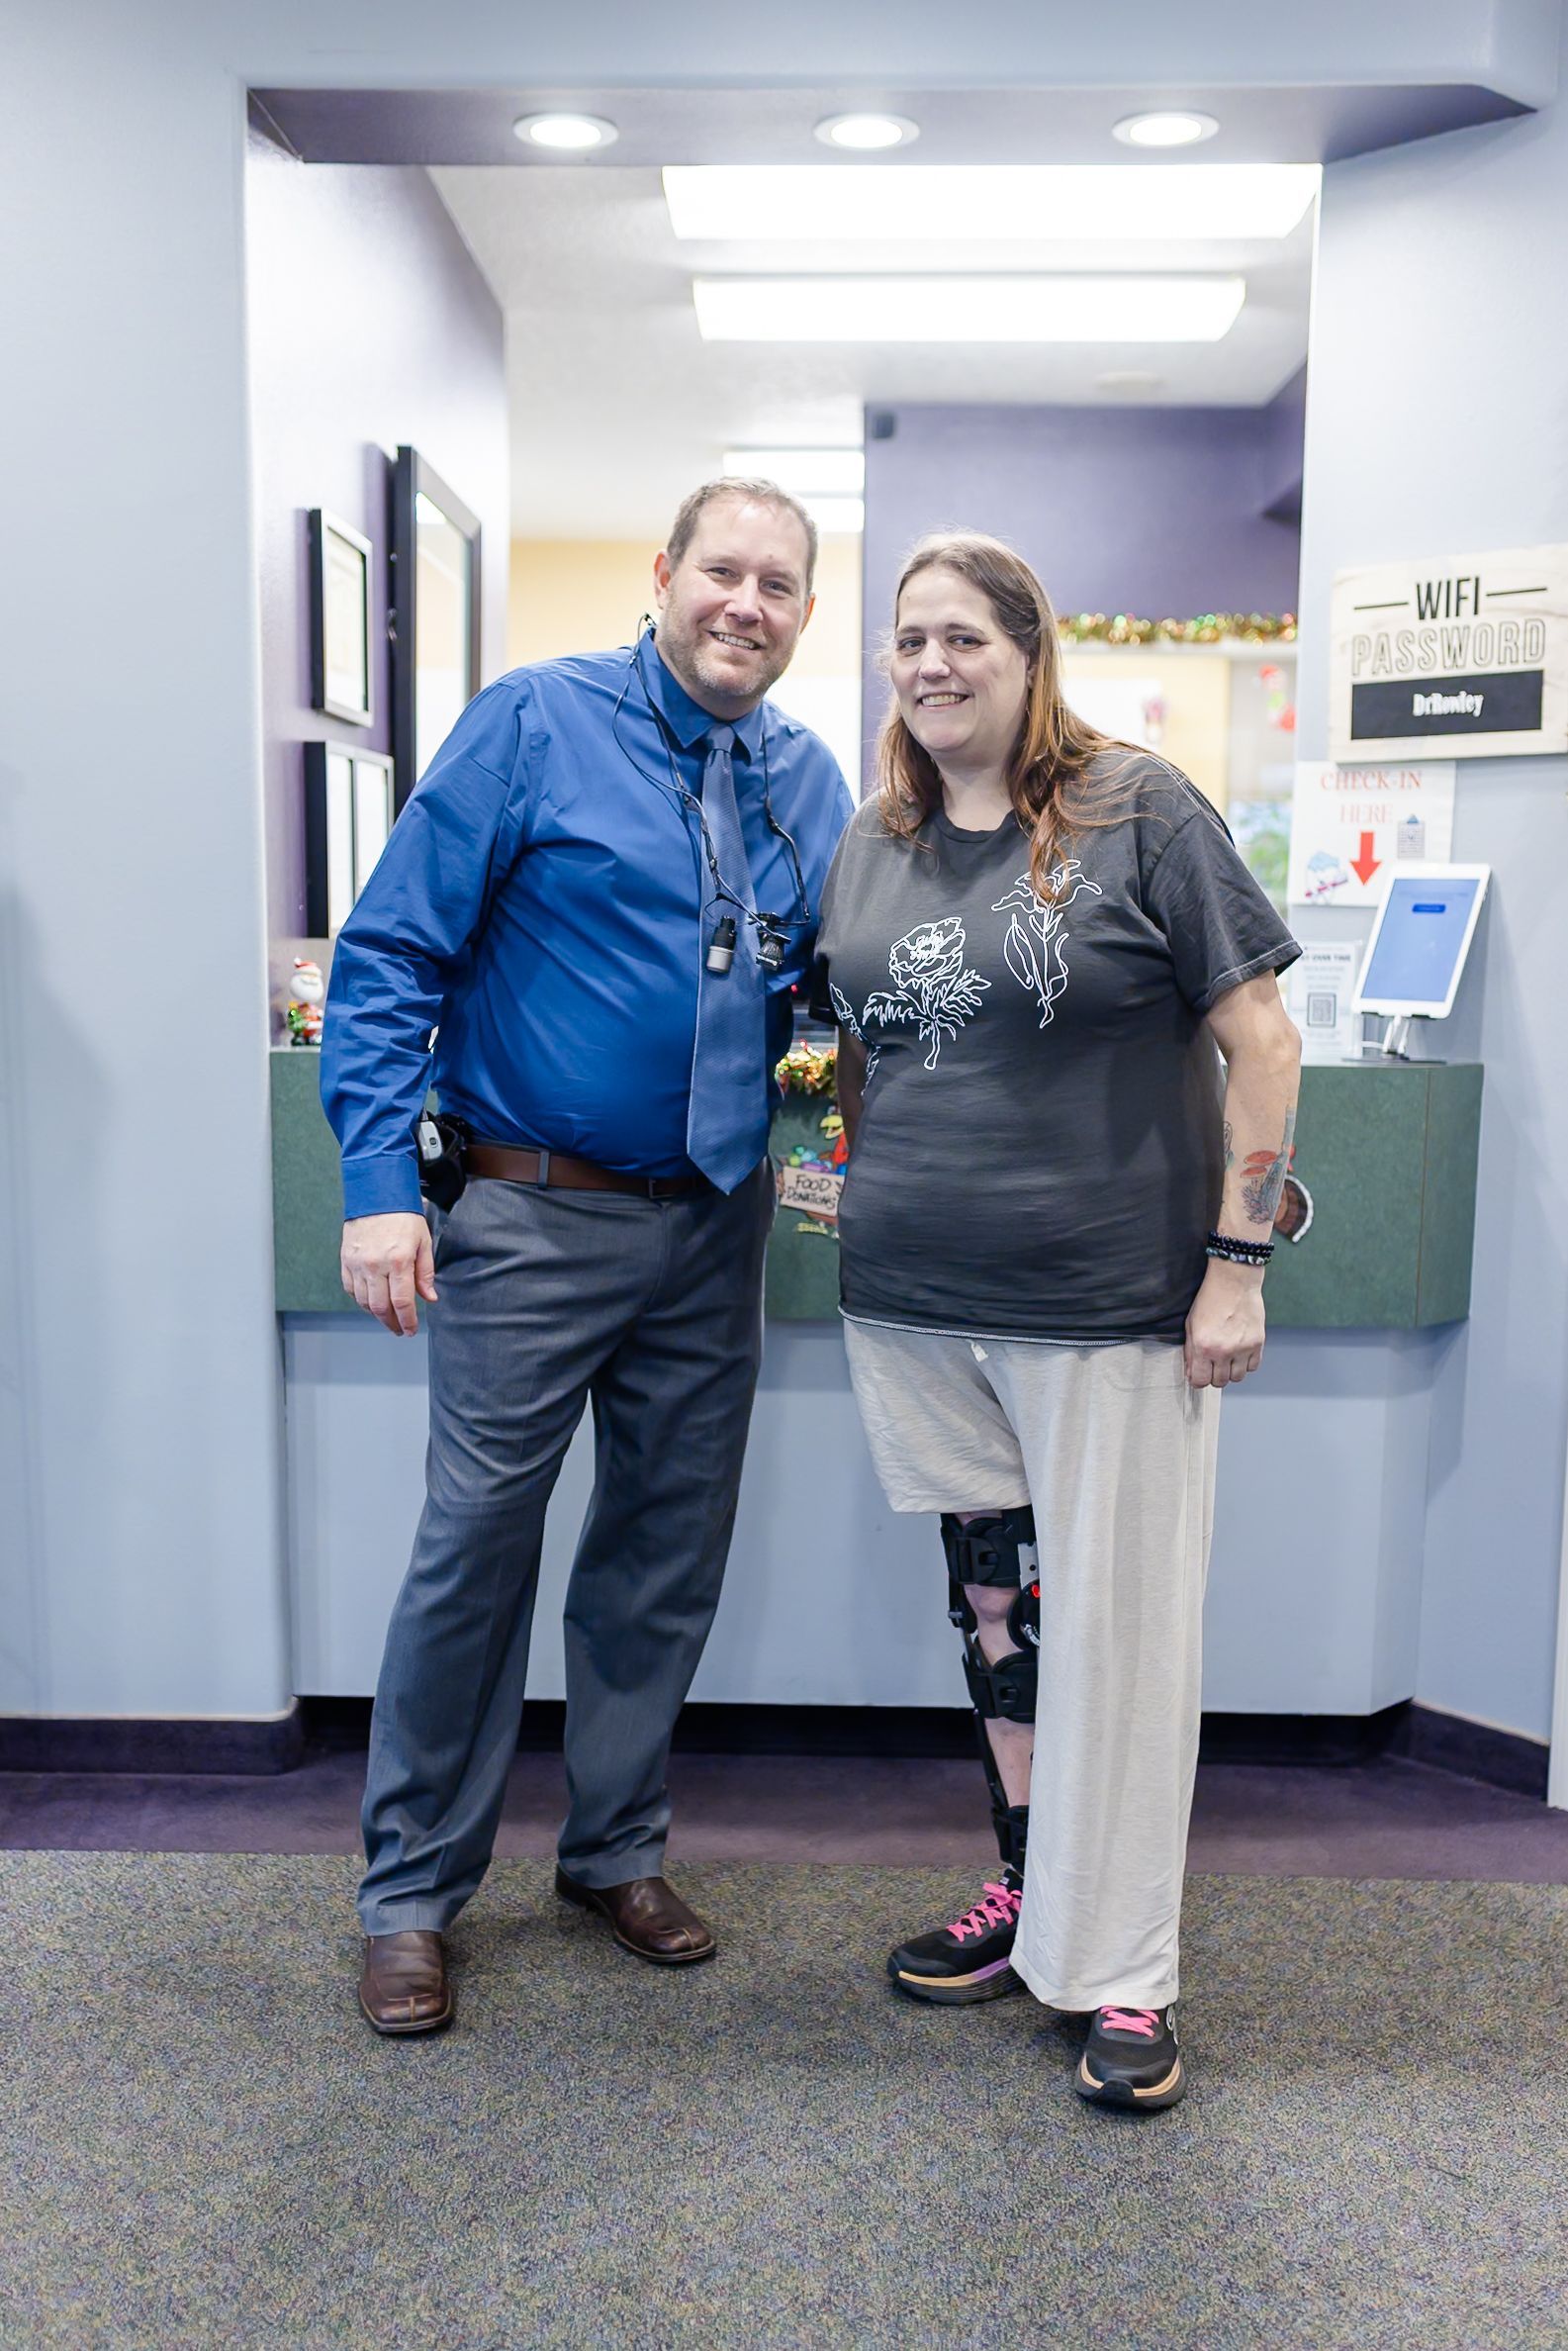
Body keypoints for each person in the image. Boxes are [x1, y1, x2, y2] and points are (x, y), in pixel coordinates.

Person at [323, 479, 853, 2035]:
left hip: (713, 1223)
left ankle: (612, 1850)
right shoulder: (533, 722)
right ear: (663, 577)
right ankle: (411, 1894)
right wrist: (375, 1184)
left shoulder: (804, 778)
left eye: (777, 584)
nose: (743, 605)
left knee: (662, 1554)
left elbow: (842, 980)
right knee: (474, 1551)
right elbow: (390, 956)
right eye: (721, 572)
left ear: (804, 614)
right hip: (530, 1215)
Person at [812, 532, 1301, 2112]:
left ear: (1030, 656)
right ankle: (1029, 1891)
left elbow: (1263, 1042)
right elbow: (861, 1048)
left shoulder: (1133, 807)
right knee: (1000, 1621)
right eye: (908, 640)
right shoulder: (875, 832)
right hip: (913, 1302)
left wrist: (1237, 1260)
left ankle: (1128, 1977)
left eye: (963, 637)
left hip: (1102, 1307)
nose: (930, 665)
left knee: (1123, 1641)